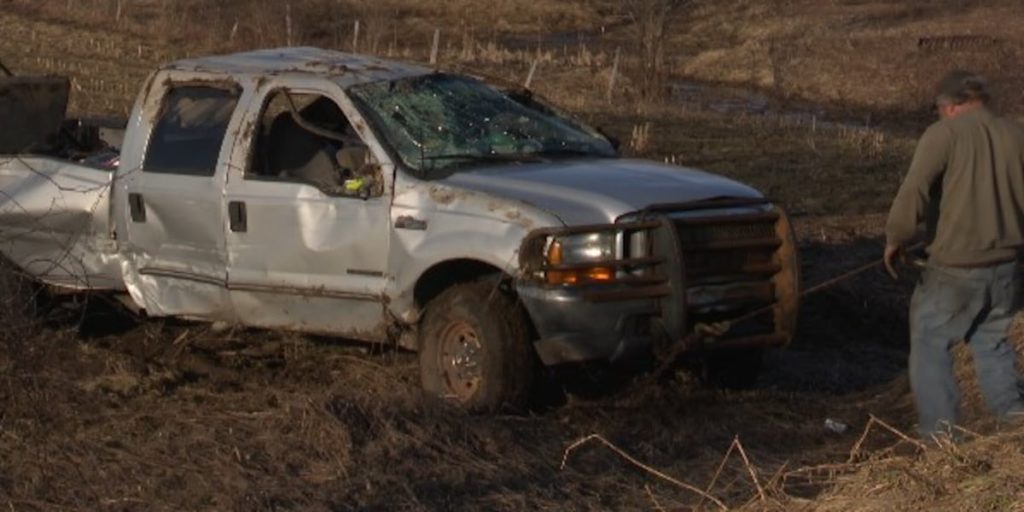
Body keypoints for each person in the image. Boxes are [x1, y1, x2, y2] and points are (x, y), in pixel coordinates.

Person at [884, 70, 1024, 437]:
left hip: (955, 269)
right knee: (992, 341)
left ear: (948, 106)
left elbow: (914, 190)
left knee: (931, 342)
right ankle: (1015, 421)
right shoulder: (1016, 134)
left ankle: (940, 437)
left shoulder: (942, 135)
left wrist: (896, 238)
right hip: (1007, 267)